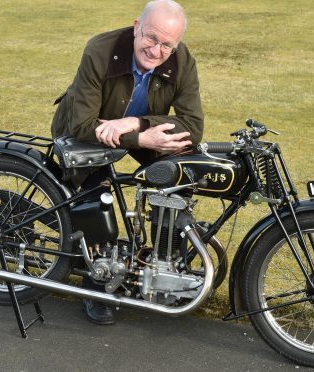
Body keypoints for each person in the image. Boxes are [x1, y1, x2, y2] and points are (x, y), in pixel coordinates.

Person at [50, 0, 204, 325]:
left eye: (167, 44)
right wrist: (141, 138)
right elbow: (82, 124)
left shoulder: (182, 60)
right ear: (137, 27)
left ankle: (164, 268)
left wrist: (137, 125)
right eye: (151, 38)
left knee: (179, 171)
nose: (156, 50)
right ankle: (96, 288)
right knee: (98, 196)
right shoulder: (100, 50)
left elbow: (193, 126)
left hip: (132, 128)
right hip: (87, 131)